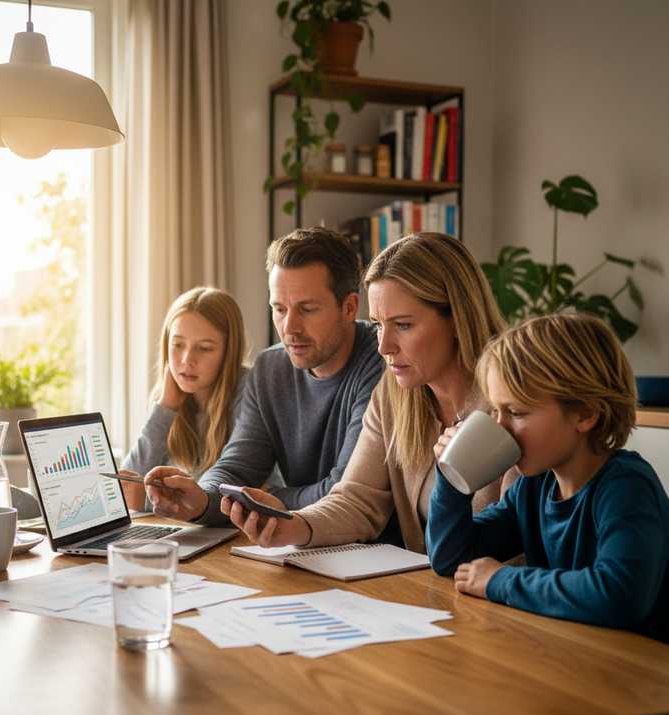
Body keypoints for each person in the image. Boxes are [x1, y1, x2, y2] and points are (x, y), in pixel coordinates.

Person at [221, 232, 512, 552]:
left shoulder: (512, 405)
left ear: (457, 318)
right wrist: (294, 526)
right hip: (423, 581)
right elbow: (357, 499)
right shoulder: (394, 392)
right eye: (377, 325)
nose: (384, 346)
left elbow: (522, 540)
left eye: (403, 325)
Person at [428, 313, 669, 643]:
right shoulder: (534, 487)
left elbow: (618, 595)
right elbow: (451, 558)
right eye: (495, 411)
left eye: (516, 412)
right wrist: (452, 475)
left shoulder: (627, 487)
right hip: (578, 653)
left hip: (642, 664)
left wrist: (501, 580)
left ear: (585, 413)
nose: (499, 428)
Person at [145, 226, 384, 523]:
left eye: (307, 309)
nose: (290, 328)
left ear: (349, 308)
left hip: (370, 544)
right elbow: (236, 467)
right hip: (296, 539)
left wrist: (267, 498)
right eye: (279, 309)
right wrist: (202, 499)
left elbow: (344, 490)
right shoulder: (269, 368)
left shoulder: (383, 360)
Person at [119, 286, 247, 510]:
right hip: (183, 529)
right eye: (178, 345)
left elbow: (251, 491)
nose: (187, 359)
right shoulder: (167, 397)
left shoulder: (249, 394)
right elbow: (127, 487)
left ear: (229, 352)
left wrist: (147, 501)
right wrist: (166, 407)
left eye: (204, 348)